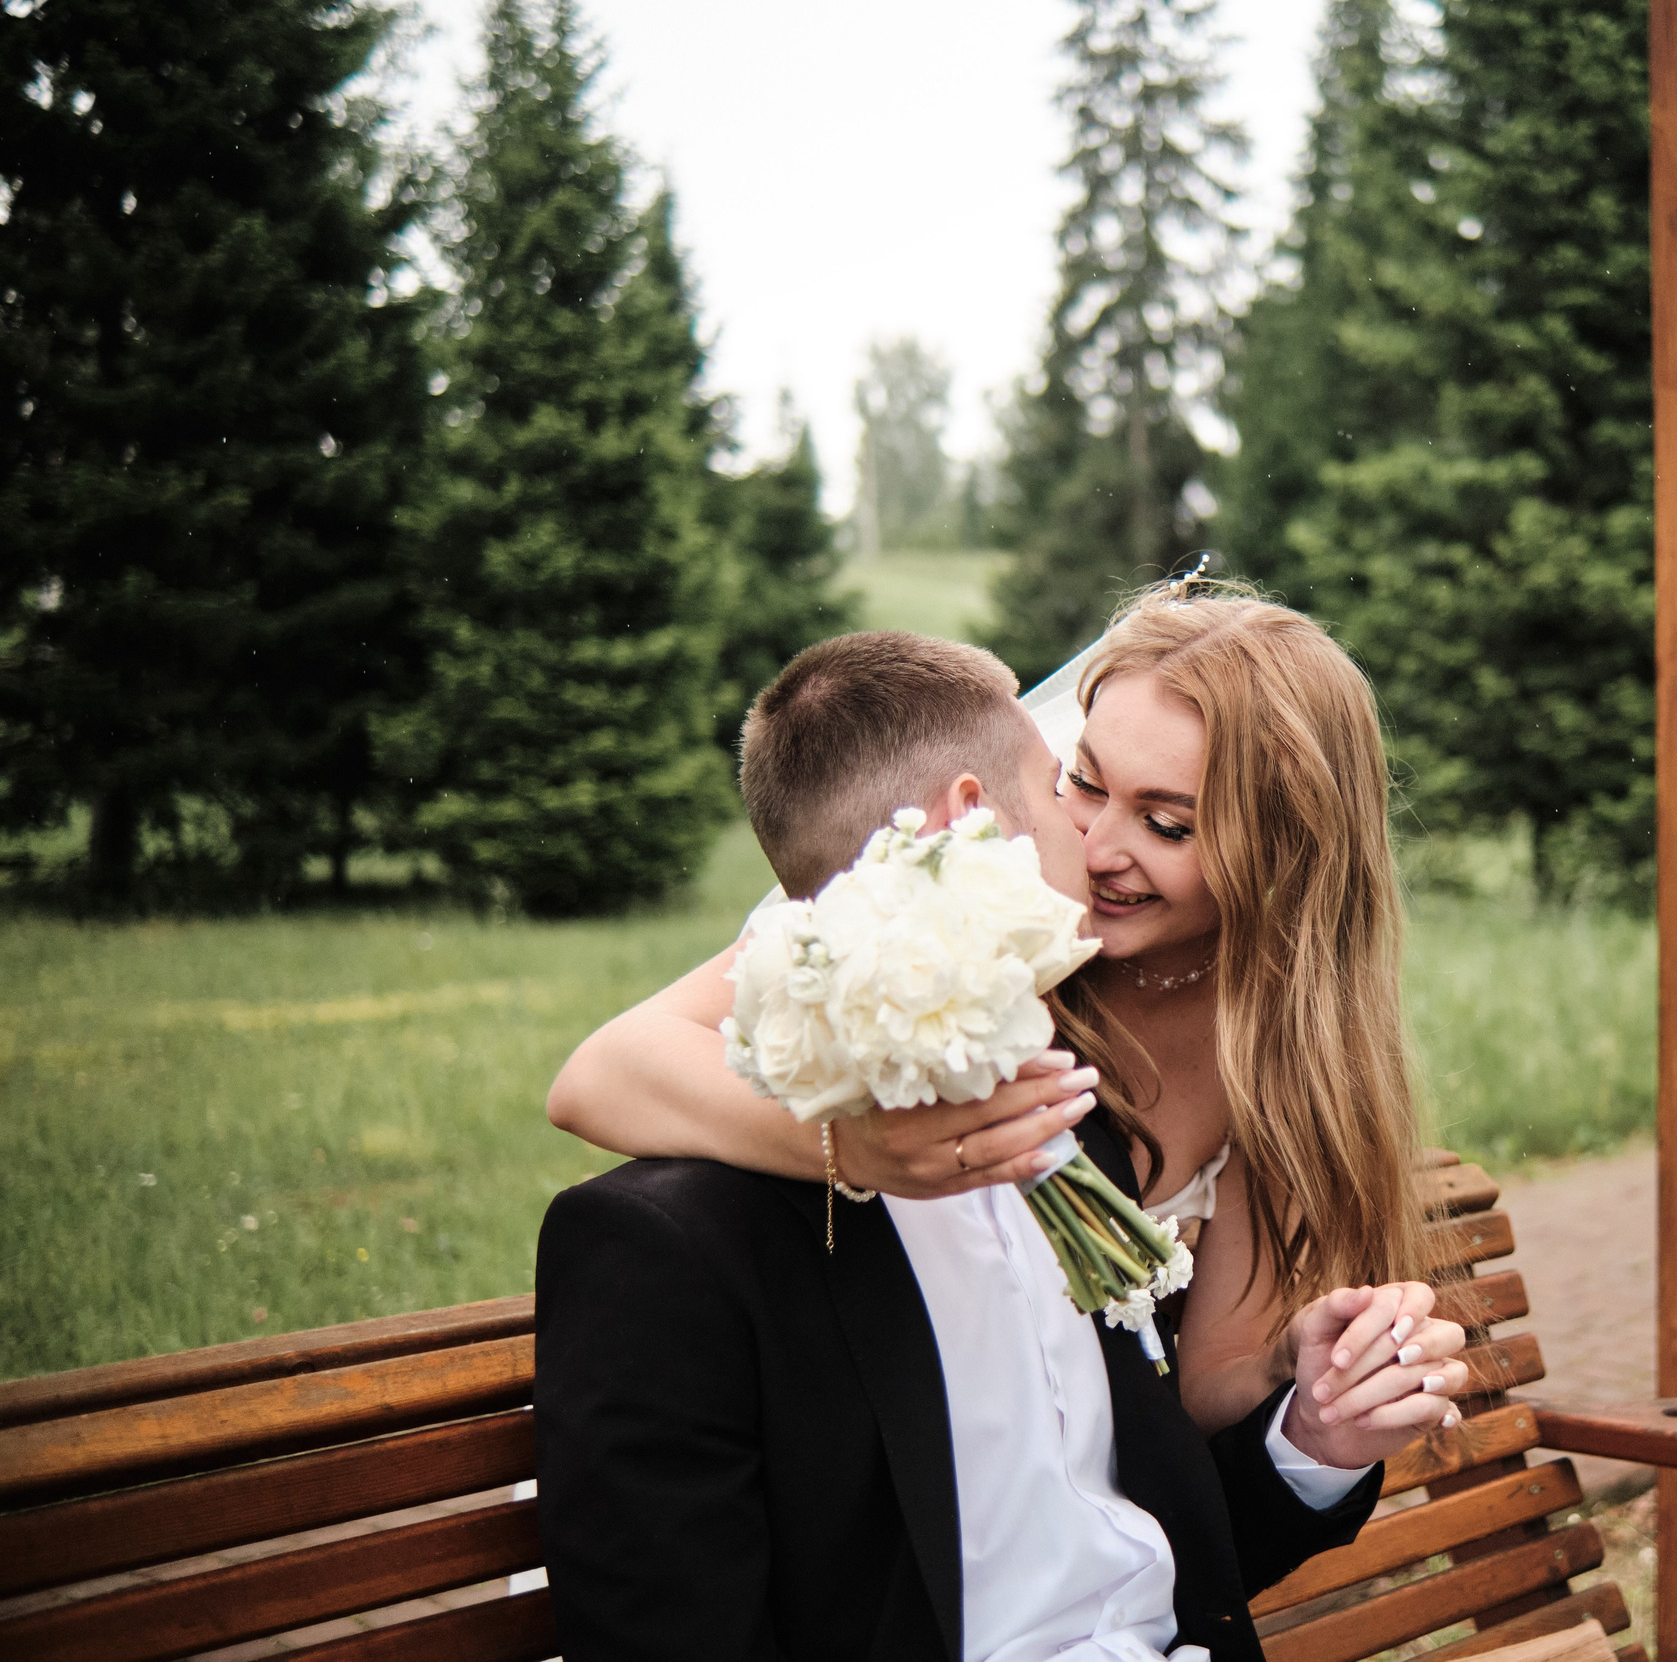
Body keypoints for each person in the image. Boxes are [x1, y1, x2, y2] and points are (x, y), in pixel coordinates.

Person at [537, 626, 1463, 1661]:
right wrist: (857, 1146)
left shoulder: (1232, 1060)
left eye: (1166, 823)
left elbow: (1164, 1444)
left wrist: (1305, 1396)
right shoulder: (877, 939)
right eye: (1081, 781)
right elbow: (601, 1073)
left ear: (1280, 855)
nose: (1096, 846)